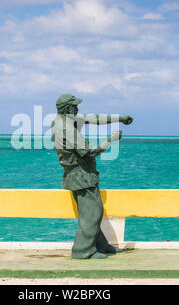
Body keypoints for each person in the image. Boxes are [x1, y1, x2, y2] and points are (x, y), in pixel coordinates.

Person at [51, 94, 133, 259]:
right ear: (68, 109)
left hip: (75, 174)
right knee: (93, 212)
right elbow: (89, 152)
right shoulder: (67, 129)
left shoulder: (60, 121)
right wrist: (110, 140)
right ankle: (83, 250)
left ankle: (101, 246)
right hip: (81, 174)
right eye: (75, 106)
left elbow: (91, 119)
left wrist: (120, 118)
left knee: (91, 211)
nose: (78, 108)